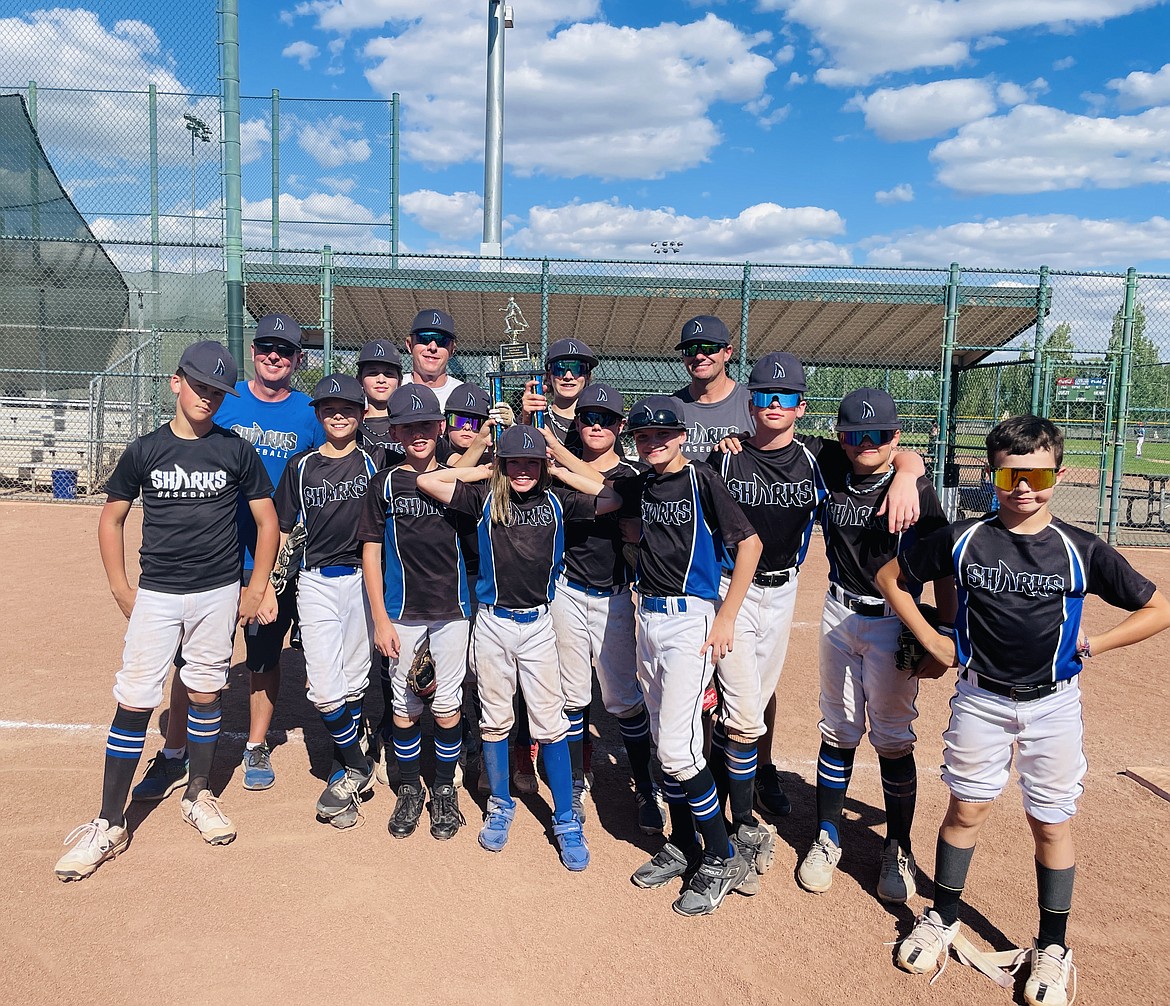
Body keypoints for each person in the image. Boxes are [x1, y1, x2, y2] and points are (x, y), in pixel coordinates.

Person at [878, 415, 1170, 1006]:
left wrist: (1094, 644)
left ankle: (1054, 946)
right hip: (981, 699)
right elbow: (891, 576)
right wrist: (935, 640)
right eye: (1012, 472)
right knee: (965, 811)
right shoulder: (964, 539)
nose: (1024, 487)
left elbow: (1157, 608)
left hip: (1053, 706)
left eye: (1038, 473)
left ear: (1058, 474)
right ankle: (945, 916)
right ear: (994, 472)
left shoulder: (1080, 548)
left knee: (1051, 822)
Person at [55, 342, 278, 881]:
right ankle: (109, 822)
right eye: (199, 385)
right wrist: (120, 588)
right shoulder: (145, 450)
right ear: (177, 382)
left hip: (217, 592)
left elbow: (268, 522)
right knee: (135, 698)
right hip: (157, 592)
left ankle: (198, 795)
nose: (208, 397)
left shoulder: (235, 451)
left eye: (218, 391)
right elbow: (111, 519)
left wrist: (255, 587)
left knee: (205, 690)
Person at [706, 355, 926, 894]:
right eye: (764, 396)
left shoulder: (821, 458)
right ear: (750, 402)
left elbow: (889, 450)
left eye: (786, 397)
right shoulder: (725, 457)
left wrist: (908, 473)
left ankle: (754, 786)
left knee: (759, 700)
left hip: (786, 593)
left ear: (803, 407)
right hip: (732, 590)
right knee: (739, 709)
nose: (774, 405)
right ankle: (737, 819)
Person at [132, 313, 323, 801]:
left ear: (298, 359)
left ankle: (256, 745)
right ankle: (173, 751)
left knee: (261, 653)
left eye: (285, 349)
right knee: (187, 659)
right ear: (253, 351)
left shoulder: (307, 412)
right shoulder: (222, 393)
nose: (274, 356)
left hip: (270, 554)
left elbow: (329, 466)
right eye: (265, 347)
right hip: (210, 551)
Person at [416, 425, 621, 871]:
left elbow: (610, 495)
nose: (523, 470)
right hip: (492, 623)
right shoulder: (487, 498)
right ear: (503, 465)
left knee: (550, 722)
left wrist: (558, 463)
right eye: (515, 462)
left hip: (540, 625)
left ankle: (566, 819)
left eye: (531, 462)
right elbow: (429, 481)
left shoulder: (558, 500)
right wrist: (488, 468)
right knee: (495, 719)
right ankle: (501, 803)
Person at [795, 387, 952, 905]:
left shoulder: (918, 490)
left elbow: (945, 567)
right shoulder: (831, 465)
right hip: (839, 613)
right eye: (854, 434)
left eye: (878, 435)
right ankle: (827, 836)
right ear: (840, 437)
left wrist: (943, 633)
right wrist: (730, 440)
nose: (866, 443)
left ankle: (898, 846)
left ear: (895, 437)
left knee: (892, 736)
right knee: (837, 727)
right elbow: (775, 436)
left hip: (899, 625)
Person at [621, 395, 764, 917]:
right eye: (642, 436)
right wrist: (547, 445)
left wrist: (726, 615)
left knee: (680, 754)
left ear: (682, 436)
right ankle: (684, 844)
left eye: (662, 434)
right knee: (664, 744)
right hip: (649, 619)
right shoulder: (642, 484)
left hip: (691, 621)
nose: (653, 441)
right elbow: (596, 487)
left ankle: (722, 856)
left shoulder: (701, 478)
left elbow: (748, 545)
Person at [546, 382, 665, 833]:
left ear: (620, 426)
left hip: (615, 596)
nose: (596, 425)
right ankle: (576, 781)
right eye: (588, 418)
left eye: (606, 419)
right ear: (579, 422)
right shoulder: (555, 471)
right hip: (567, 592)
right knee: (573, 697)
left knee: (622, 698)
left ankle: (644, 782)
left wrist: (558, 454)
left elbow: (610, 494)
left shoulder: (631, 475)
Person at [360, 385, 474, 841]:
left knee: (447, 705)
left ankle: (444, 788)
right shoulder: (385, 482)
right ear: (396, 433)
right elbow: (370, 550)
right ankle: (409, 788)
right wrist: (380, 619)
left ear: (441, 427)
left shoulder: (459, 478)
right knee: (404, 706)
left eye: (426, 425)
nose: (418, 434)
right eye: (407, 427)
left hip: (453, 609)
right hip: (402, 611)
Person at [269, 374, 380, 829]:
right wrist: (267, 585)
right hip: (314, 582)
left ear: (362, 413)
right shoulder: (301, 465)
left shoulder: (376, 462)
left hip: (361, 580)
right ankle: (359, 762)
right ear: (318, 414)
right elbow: (281, 527)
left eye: (348, 407)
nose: (339, 414)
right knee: (323, 688)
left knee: (354, 681)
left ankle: (342, 774)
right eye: (330, 407)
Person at [671, 316, 753, 462]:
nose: (700, 356)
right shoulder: (670, 407)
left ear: (727, 352)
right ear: (683, 356)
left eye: (709, 348)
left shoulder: (753, 402)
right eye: (691, 349)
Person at [520, 338, 598, 453]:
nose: (568, 376)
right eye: (559, 368)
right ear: (549, 376)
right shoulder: (536, 416)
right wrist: (526, 420)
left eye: (577, 368)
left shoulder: (601, 421)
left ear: (587, 376)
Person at [402, 309, 464, 410]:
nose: (433, 347)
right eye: (424, 338)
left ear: (452, 349)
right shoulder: (393, 389)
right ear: (410, 345)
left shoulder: (462, 394)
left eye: (442, 340)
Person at [356, 338, 405, 465]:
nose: (381, 379)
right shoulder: (351, 427)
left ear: (399, 381)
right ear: (360, 380)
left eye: (388, 373)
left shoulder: (411, 424)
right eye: (373, 373)